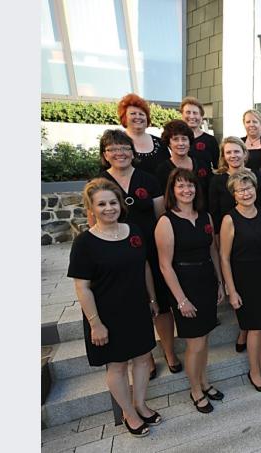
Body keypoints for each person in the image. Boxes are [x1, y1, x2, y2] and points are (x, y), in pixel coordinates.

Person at [68, 178, 161, 437]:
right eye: (101, 204)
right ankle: (128, 413)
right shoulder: (84, 243)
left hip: (137, 307)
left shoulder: (133, 231)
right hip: (107, 314)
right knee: (117, 365)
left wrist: (152, 299)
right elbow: (82, 287)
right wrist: (95, 323)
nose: (109, 208)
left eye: (113, 202)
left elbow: (144, 267)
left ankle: (140, 404)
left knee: (143, 358)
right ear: (91, 208)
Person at [98, 130, 179, 378]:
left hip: (151, 250)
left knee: (162, 304)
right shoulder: (100, 182)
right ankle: (145, 358)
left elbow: (160, 215)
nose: (120, 153)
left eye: (125, 148)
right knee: (135, 305)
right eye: (113, 149)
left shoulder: (147, 178)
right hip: (119, 254)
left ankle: (169, 351)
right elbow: (94, 220)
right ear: (105, 154)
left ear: (133, 152)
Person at [155, 168, 225, 414]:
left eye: (190, 185)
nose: (187, 190)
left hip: (206, 280)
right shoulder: (166, 221)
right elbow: (165, 265)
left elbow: (213, 251)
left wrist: (219, 282)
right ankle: (195, 390)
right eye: (181, 186)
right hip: (184, 285)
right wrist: (181, 300)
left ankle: (204, 382)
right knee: (194, 344)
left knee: (204, 340)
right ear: (172, 191)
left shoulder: (205, 217)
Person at [219, 169, 261, 393]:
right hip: (244, 278)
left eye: (248, 187)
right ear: (234, 194)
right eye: (240, 190)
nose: (245, 193)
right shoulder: (229, 219)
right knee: (254, 327)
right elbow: (224, 258)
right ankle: (254, 372)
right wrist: (231, 291)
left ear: (255, 188)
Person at [157, 120, 211, 204]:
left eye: (184, 139)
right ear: (169, 143)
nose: (181, 143)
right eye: (175, 139)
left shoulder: (202, 165)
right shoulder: (162, 170)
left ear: (190, 141)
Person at [117, 93, 168, 176]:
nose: (138, 117)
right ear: (124, 118)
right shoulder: (116, 143)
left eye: (141, 114)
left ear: (147, 118)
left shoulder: (160, 143)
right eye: (133, 113)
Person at [181, 96, 219, 171]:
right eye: (188, 112)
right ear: (182, 115)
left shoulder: (211, 140)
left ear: (201, 117)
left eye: (195, 113)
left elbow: (217, 167)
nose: (191, 116)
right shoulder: (175, 140)